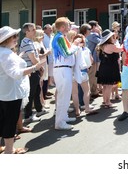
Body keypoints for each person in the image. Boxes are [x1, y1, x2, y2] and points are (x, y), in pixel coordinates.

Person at [0, 26, 46, 154]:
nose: (16, 39)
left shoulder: (4, 52)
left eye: (16, 36)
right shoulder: (6, 54)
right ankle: (9, 150)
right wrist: (34, 67)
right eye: (14, 36)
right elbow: (15, 73)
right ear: (6, 39)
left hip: (4, 92)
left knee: (4, 120)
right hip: (11, 93)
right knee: (10, 121)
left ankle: (7, 148)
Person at [51, 17, 81, 130]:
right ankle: (60, 122)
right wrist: (76, 45)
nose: (70, 27)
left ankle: (64, 117)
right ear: (63, 27)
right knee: (63, 96)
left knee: (65, 95)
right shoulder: (59, 38)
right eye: (68, 25)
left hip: (64, 69)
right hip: (63, 69)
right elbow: (67, 53)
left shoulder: (60, 37)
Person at [19, 23, 48, 123]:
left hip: (33, 69)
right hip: (31, 70)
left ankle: (38, 110)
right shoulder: (27, 42)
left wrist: (39, 67)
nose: (35, 31)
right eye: (33, 30)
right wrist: (40, 67)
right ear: (27, 32)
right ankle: (28, 116)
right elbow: (33, 58)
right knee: (31, 93)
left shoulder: (29, 41)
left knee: (36, 90)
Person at [96, 30, 123, 109]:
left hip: (104, 67)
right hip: (110, 68)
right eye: (112, 36)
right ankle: (108, 102)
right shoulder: (110, 45)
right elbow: (120, 49)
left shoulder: (101, 46)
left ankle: (105, 101)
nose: (113, 37)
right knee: (108, 86)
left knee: (105, 86)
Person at [86, 20, 101, 98]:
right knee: (92, 76)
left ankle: (94, 91)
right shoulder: (93, 35)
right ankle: (91, 92)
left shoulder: (91, 35)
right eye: (97, 25)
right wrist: (99, 33)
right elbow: (101, 42)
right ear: (94, 27)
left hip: (91, 58)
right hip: (92, 58)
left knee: (93, 75)